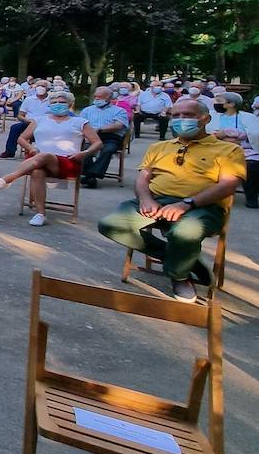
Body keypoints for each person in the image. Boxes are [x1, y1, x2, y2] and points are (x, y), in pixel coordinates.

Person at [97, 97, 244, 301]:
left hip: (202, 207)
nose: (181, 119)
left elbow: (228, 185)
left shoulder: (228, 150)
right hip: (157, 201)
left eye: (188, 115)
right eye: (176, 115)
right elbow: (143, 178)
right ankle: (182, 259)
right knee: (110, 224)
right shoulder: (159, 148)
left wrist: (186, 204)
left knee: (185, 233)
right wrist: (145, 199)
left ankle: (180, 276)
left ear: (206, 119)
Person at [0, 92, 101, 226]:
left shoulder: (79, 122)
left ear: (69, 104)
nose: (58, 104)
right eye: (54, 102)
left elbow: (97, 143)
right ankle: (40, 213)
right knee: (37, 171)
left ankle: (8, 179)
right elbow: (22, 138)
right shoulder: (40, 119)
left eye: (62, 102)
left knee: (45, 155)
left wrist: (85, 153)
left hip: (67, 161)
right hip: (36, 161)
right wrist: (31, 148)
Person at [209, 91, 259, 209]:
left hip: (244, 150)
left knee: (252, 166)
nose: (216, 104)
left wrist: (236, 139)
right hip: (216, 149)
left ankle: (251, 197)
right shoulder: (211, 115)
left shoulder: (248, 117)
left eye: (220, 102)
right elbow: (205, 133)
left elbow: (255, 134)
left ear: (231, 104)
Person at [79, 86, 130, 188]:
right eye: (95, 97)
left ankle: (90, 175)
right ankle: (90, 177)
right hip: (90, 136)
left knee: (108, 149)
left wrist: (99, 129)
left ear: (109, 98)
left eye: (100, 97)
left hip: (110, 137)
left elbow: (118, 125)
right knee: (84, 149)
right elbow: (79, 124)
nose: (97, 99)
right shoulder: (87, 110)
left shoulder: (119, 111)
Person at [0, 82, 49, 158]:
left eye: (43, 86)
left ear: (47, 88)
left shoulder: (51, 100)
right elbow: (20, 115)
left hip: (45, 124)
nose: (40, 88)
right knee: (15, 128)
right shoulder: (29, 100)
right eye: (38, 86)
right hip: (29, 123)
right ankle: (9, 151)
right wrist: (27, 120)